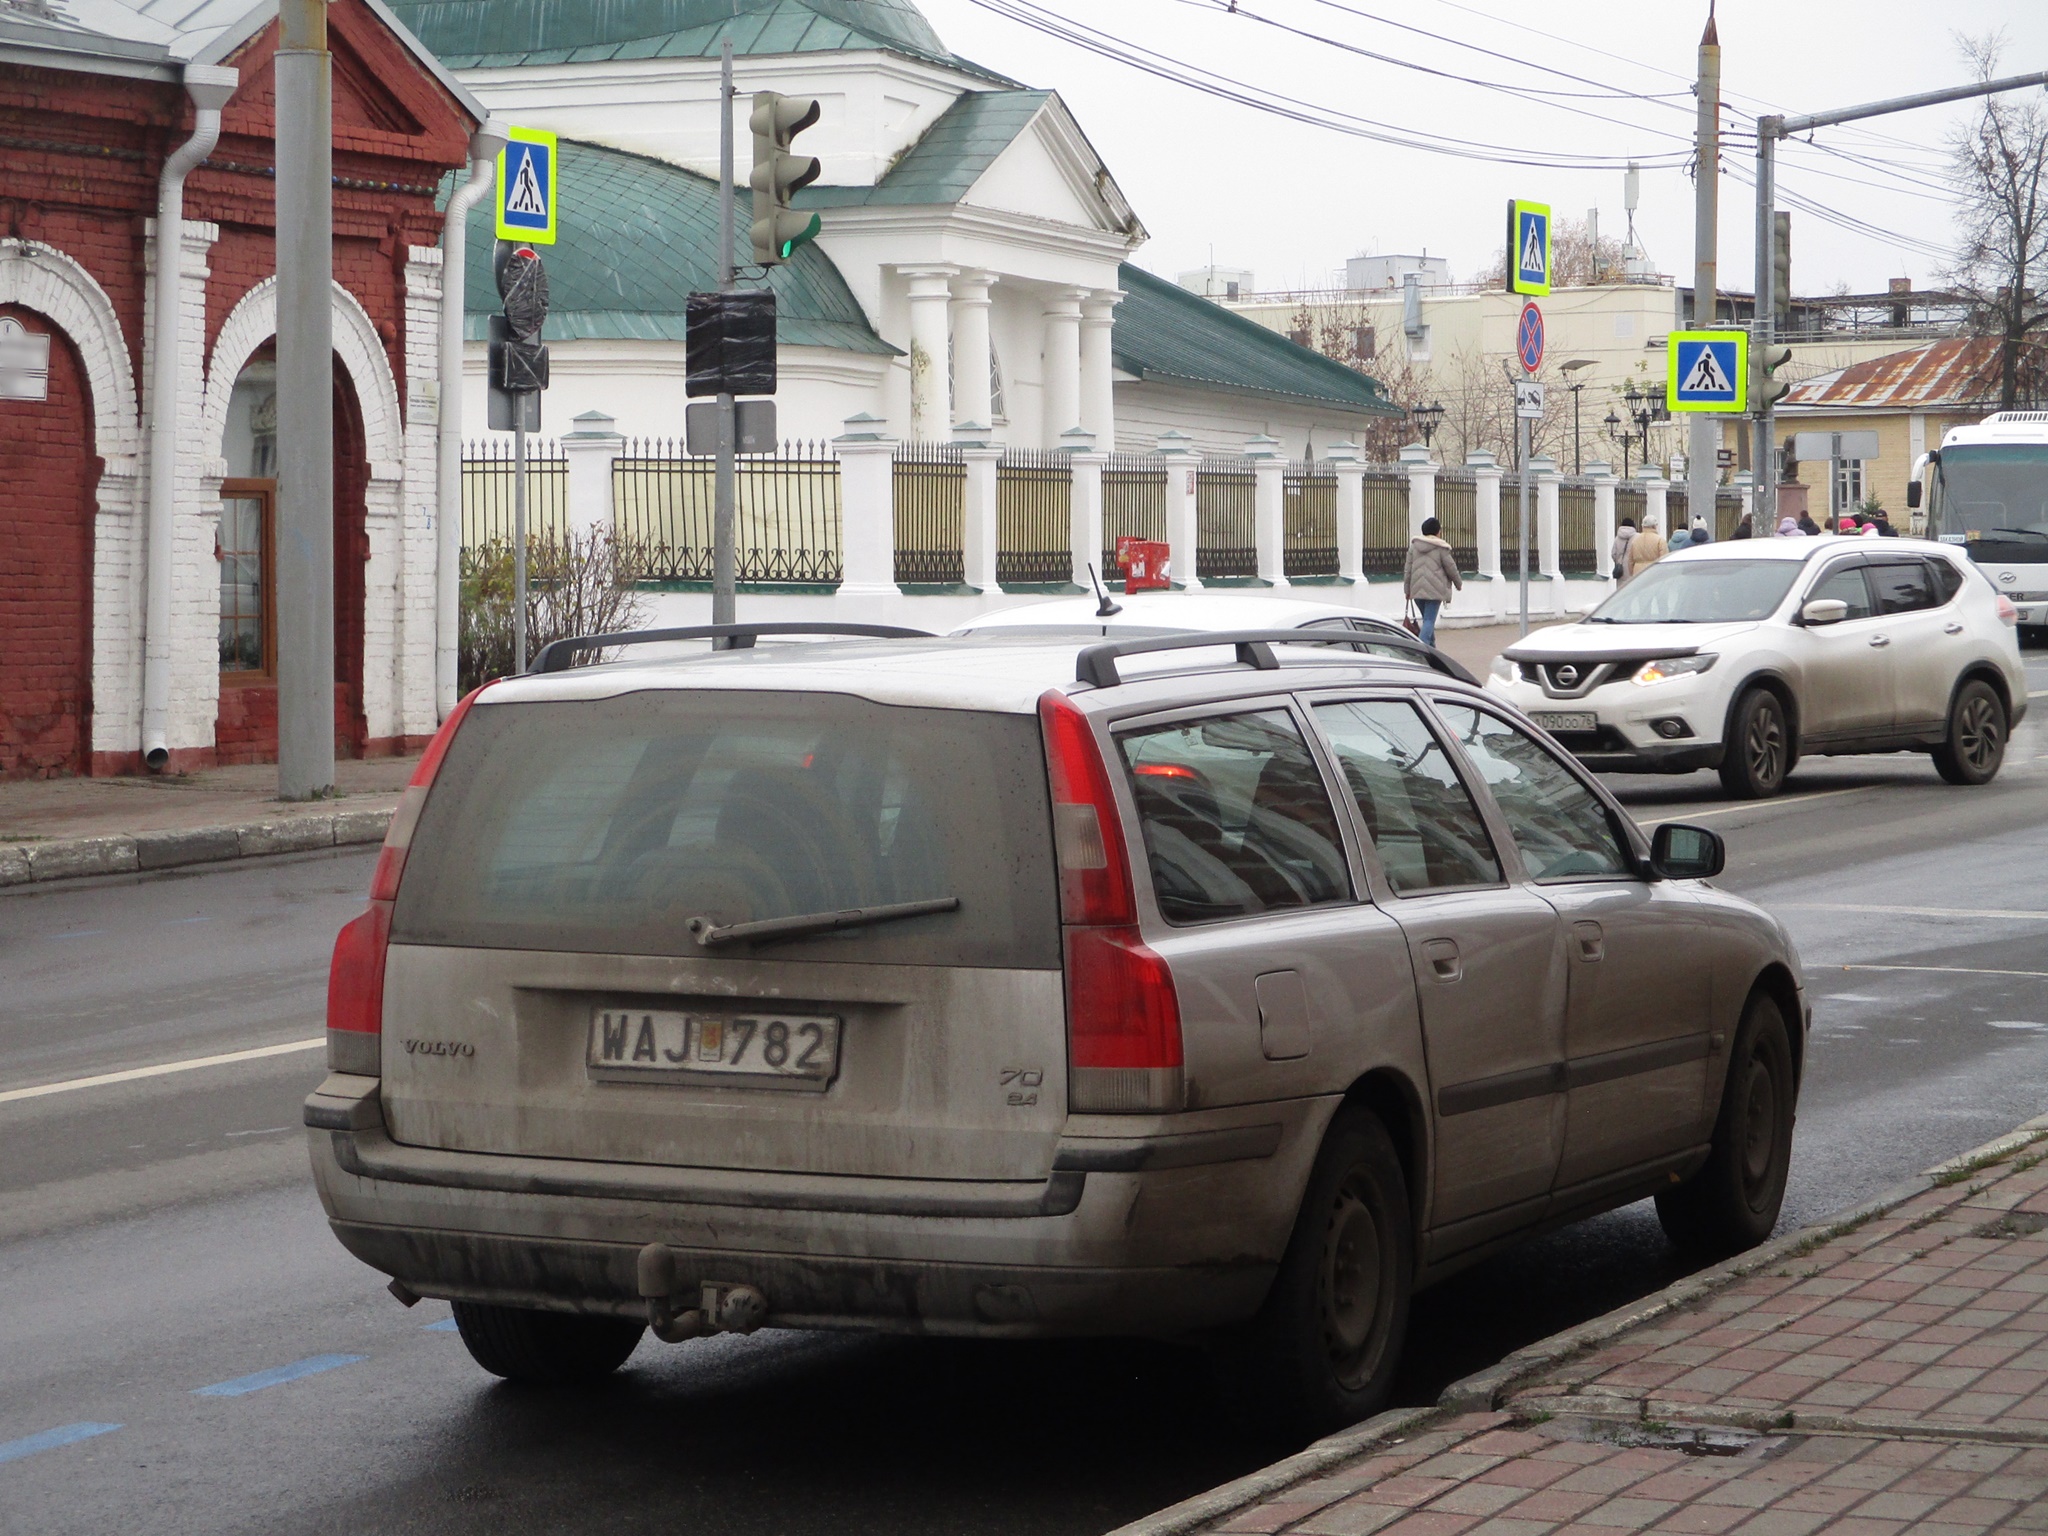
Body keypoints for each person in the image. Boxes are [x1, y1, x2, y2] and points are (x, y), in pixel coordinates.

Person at [1403, 515, 1462, 645]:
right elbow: (1451, 567)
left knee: (1427, 620)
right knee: (1429, 621)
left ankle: (1432, 650)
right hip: (1435, 591)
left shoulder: (1414, 547)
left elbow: (1408, 570)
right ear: (1437, 531)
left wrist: (1407, 590)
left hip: (1416, 590)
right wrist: (1458, 583)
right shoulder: (1441, 548)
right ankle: (1422, 648)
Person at [1611, 517, 1637, 582]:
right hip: (1633, 569)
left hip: (1620, 571)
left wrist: (1618, 561)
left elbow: (1613, 554)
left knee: (1622, 590)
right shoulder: (1637, 537)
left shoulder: (1617, 538)